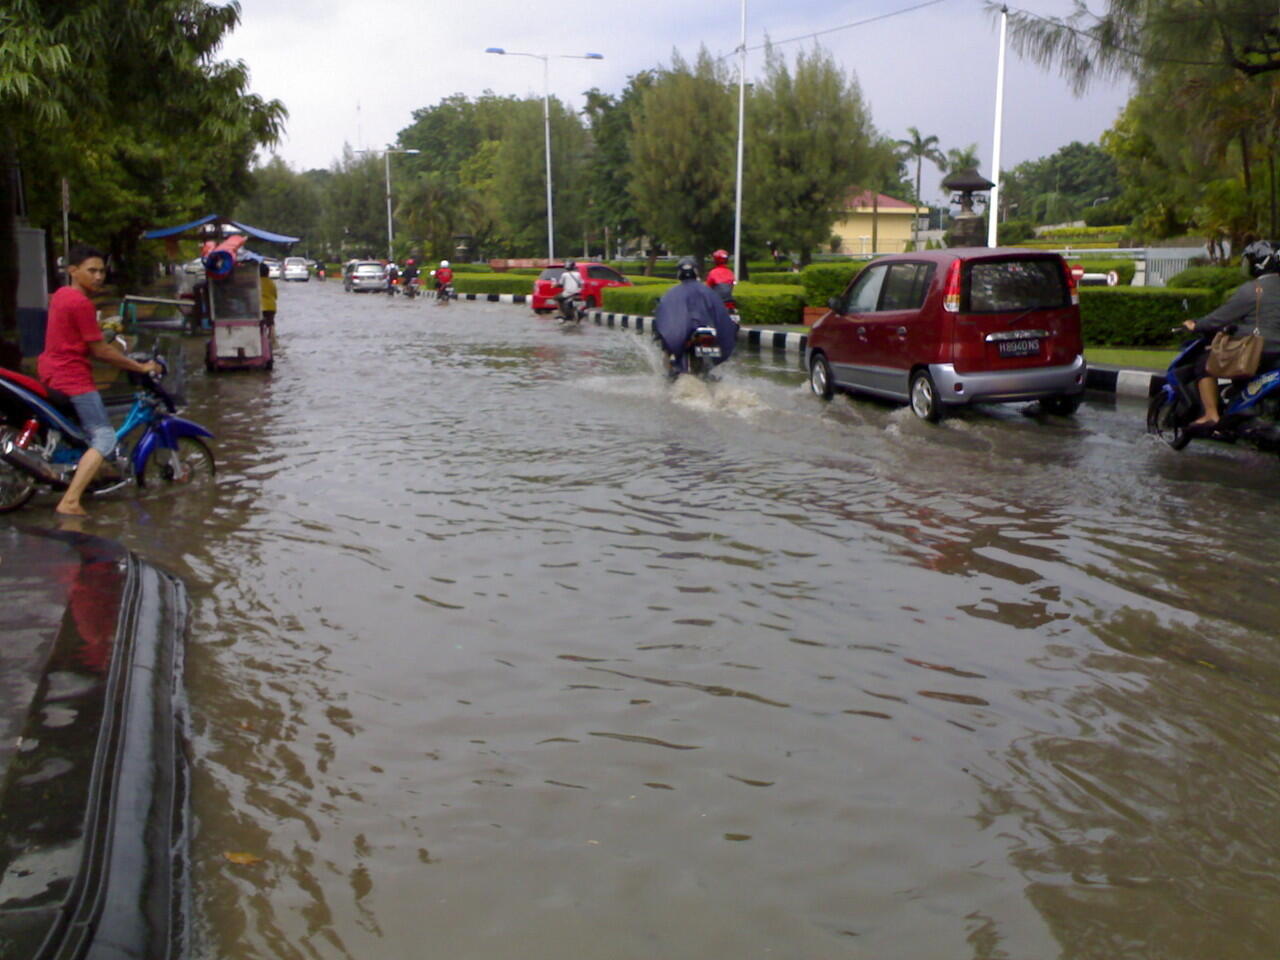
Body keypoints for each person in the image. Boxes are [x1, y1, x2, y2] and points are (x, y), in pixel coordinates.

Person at [37, 245, 163, 516]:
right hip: (73, 379)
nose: (98, 277)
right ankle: (70, 501)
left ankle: (90, 474)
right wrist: (139, 367)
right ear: (72, 270)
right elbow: (101, 351)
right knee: (104, 436)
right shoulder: (80, 302)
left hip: (51, 373)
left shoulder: (61, 295)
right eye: (91, 270)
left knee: (82, 434)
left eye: (101, 271)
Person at [1182, 239, 1280, 429]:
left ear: (1260, 263)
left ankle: (1211, 415)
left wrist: (1196, 325)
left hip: (1259, 351)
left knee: (1204, 363)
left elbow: (1218, 319)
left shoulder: (1253, 290)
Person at [653, 257, 738, 376]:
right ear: (696, 272)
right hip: (704, 331)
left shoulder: (672, 293)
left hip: (685, 334)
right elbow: (721, 313)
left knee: (668, 349)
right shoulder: (708, 292)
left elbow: (664, 312)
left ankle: (673, 371)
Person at [259, 260, 278, 345]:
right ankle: (272, 341)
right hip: (271, 307)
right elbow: (275, 295)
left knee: (259, 325)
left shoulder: (256, 282)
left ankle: (261, 340)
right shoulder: (271, 282)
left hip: (259, 307)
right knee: (270, 323)